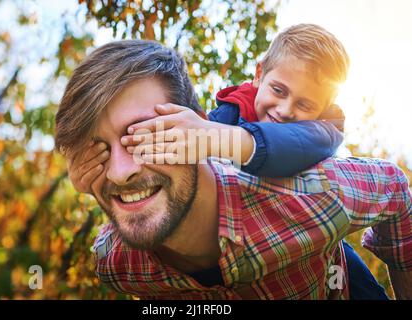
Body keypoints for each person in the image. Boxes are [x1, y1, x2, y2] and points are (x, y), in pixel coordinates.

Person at [55, 40, 412, 299]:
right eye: (98, 152)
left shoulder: (319, 191)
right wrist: (99, 184)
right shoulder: (116, 265)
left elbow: (394, 187)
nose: (118, 172)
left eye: (142, 136)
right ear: (260, 76)